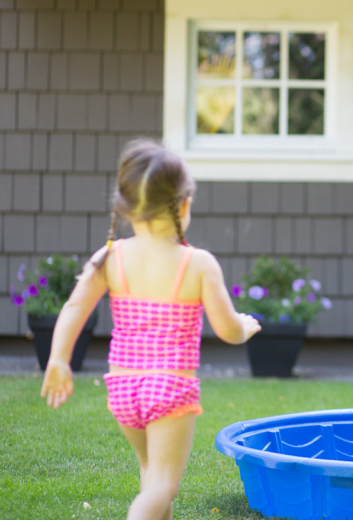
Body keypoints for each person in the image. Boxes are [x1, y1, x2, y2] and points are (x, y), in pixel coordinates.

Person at [39, 140, 261, 520]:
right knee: (162, 485)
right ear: (184, 204)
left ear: (125, 209)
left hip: (124, 388)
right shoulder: (198, 264)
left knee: (152, 476)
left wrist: (59, 358)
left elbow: (75, 305)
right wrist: (244, 325)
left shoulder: (110, 257)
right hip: (170, 388)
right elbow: (227, 330)